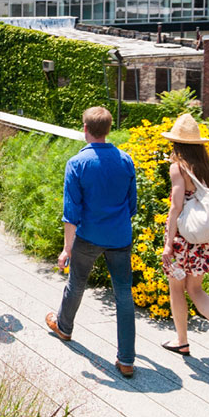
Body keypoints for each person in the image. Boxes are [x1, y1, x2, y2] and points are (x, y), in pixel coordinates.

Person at [45, 106, 139, 378]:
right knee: (123, 293)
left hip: (88, 236)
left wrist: (66, 248)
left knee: (77, 282)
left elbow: (71, 212)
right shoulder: (126, 160)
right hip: (120, 236)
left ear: (85, 129)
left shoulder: (77, 163)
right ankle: (127, 360)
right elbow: (131, 205)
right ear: (108, 130)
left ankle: (64, 327)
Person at [159, 113, 209, 363]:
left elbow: (176, 207)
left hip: (183, 238)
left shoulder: (178, 167)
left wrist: (168, 243)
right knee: (195, 288)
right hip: (205, 240)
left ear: (176, 143)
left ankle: (181, 341)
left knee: (176, 289)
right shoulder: (207, 167)